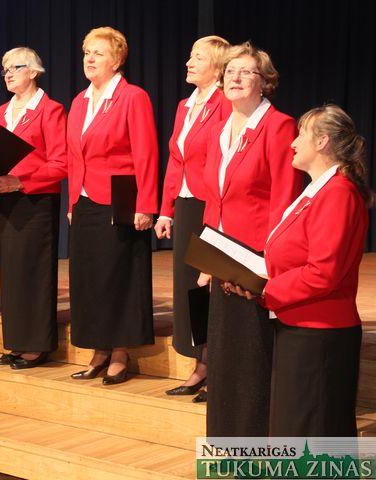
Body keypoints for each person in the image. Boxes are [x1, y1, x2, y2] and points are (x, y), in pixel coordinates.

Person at [229, 105, 371, 436]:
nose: (292, 143)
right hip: (300, 325)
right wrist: (254, 277)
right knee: (297, 430)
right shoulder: (318, 190)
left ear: (322, 142)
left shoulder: (337, 193)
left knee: (312, 433)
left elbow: (323, 272)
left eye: (301, 135)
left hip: (319, 332)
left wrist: (266, 289)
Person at [200, 42, 302, 436]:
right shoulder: (219, 128)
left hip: (256, 260)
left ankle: (255, 441)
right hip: (222, 257)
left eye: (246, 71)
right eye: (230, 71)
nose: (236, 78)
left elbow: (284, 200)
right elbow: (215, 199)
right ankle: (226, 439)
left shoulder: (279, 126)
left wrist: (268, 263)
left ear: (265, 81)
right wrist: (207, 260)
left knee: (252, 354)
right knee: (224, 352)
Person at [66, 27, 159, 385]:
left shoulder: (133, 97)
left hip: (121, 199)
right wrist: (73, 200)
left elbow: (146, 153)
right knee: (89, 278)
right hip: (85, 200)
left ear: (117, 60)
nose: (89, 59)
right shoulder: (79, 101)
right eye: (86, 52)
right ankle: (99, 349)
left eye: (98, 53)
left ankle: (120, 352)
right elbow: (74, 157)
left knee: (118, 277)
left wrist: (146, 204)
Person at [154, 36, 231, 400]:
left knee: (211, 285)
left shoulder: (225, 103)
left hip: (212, 203)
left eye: (197, 58)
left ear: (217, 67)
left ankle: (218, 365)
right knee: (190, 287)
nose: (188, 62)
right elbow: (176, 159)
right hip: (186, 204)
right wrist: (166, 209)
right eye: (189, 56)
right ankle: (201, 361)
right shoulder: (185, 105)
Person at [0, 47, 68, 370]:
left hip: (36, 199)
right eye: (4, 69)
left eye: (15, 67)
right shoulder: (1, 112)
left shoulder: (50, 110)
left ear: (33, 72)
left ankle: (37, 345)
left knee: (34, 272)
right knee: (13, 273)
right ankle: (17, 341)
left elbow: (60, 163)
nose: (8, 74)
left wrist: (20, 181)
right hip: (8, 199)